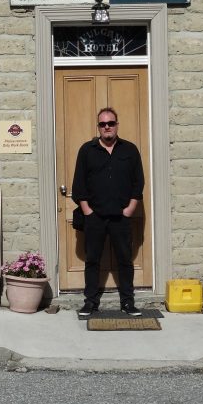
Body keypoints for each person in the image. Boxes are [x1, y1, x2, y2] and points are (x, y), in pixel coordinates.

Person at [71, 107, 145, 318]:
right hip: (95, 217)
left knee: (124, 260)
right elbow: (79, 184)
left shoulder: (130, 150)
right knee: (92, 260)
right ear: (98, 127)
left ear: (116, 125)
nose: (107, 127)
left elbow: (138, 182)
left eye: (110, 123)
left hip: (121, 218)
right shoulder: (87, 150)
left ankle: (128, 303)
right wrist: (87, 210)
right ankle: (90, 303)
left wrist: (131, 208)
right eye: (103, 124)